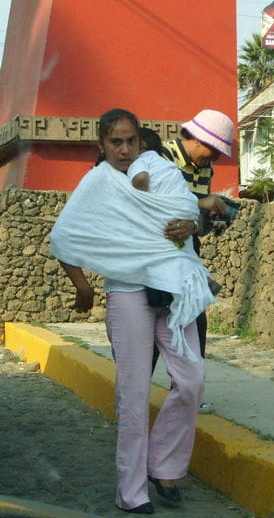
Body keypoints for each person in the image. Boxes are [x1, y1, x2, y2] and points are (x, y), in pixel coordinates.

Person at [51, 108, 215, 513]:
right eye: (115, 142)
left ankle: (163, 465)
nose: (124, 150)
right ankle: (132, 491)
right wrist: (83, 286)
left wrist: (190, 226)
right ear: (102, 146)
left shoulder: (162, 170)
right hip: (127, 293)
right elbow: (64, 235)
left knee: (192, 379)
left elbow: (188, 210)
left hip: (173, 291)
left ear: (140, 142)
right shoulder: (98, 183)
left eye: (130, 141)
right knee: (134, 394)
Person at [159, 109, 235, 413]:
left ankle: (189, 391)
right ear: (200, 139)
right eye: (213, 151)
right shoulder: (161, 155)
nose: (214, 158)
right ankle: (134, 394)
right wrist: (199, 202)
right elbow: (159, 202)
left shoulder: (206, 169)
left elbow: (196, 221)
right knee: (156, 325)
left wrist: (208, 218)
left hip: (187, 257)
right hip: (157, 256)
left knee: (195, 321)